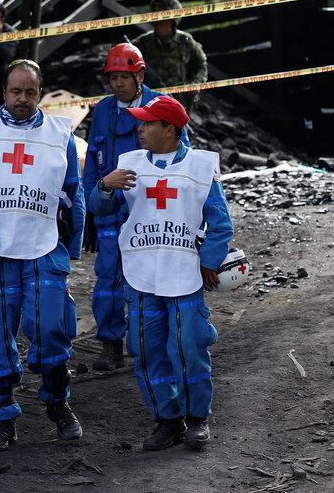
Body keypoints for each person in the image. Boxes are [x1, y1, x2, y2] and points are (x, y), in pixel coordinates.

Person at [0, 60, 85, 450]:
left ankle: (59, 403)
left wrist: (70, 247)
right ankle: (4, 415)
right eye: (15, 91)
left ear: (40, 92)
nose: (22, 99)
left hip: (43, 244)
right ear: (4, 93)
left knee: (51, 323)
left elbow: (74, 192)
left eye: (30, 91)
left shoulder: (61, 133)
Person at [87, 95, 233, 450]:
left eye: (149, 123)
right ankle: (167, 421)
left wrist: (208, 262)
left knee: (188, 347)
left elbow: (221, 223)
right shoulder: (129, 165)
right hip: (141, 274)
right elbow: (97, 209)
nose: (140, 129)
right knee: (146, 350)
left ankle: (197, 419)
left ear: (170, 130)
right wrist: (106, 186)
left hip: (184, 275)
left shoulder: (200, 167)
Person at [82, 43, 190, 372]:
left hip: (151, 212)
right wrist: (90, 205)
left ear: (140, 75)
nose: (117, 84)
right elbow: (91, 165)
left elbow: (184, 158)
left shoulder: (162, 106)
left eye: (124, 77)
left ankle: (148, 343)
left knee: (152, 279)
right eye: (112, 78)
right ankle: (111, 344)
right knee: (108, 278)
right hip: (111, 211)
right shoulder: (101, 111)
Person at [133, 0, 208, 111]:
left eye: (159, 10)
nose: (154, 13)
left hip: (178, 103)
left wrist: (196, 83)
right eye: (154, 10)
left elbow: (201, 64)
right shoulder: (143, 42)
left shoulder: (185, 41)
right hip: (149, 102)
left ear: (171, 14)